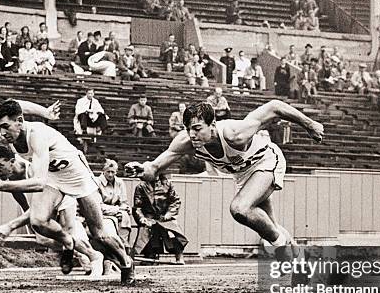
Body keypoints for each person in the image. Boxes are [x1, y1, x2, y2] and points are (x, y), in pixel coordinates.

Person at [125, 100, 324, 275]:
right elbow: (155, 167)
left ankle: (284, 253)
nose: (192, 134)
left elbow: (274, 107)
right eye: (188, 129)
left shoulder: (234, 133)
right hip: (243, 174)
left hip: (266, 160)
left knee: (240, 209)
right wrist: (141, 169)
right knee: (269, 226)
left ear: (213, 124)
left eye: (197, 128)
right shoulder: (186, 141)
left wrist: (310, 124)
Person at [0, 99, 134, 283]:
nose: (1, 133)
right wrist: (45, 112)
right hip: (54, 177)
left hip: (76, 173)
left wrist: (2, 186)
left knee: (99, 234)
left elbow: (38, 183)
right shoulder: (13, 135)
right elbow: (17, 104)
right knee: (37, 221)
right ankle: (68, 242)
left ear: (20, 121)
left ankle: (126, 263)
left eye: (5, 126)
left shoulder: (35, 135)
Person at [0, 145, 102, 275]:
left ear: (12, 161)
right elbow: (31, 209)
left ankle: (93, 259)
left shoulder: (32, 170)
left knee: (69, 232)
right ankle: (82, 253)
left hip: (61, 192)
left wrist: (10, 225)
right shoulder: (10, 180)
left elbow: (39, 206)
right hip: (43, 204)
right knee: (43, 239)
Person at [133, 174, 188, 264]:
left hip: (165, 217)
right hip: (149, 216)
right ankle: (150, 256)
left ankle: (179, 255)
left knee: (173, 231)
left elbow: (175, 201)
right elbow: (137, 206)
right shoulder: (141, 186)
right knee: (146, 231)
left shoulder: (167, 184)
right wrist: (141, 218)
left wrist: (169, 214)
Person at [96, 159, 133, 248]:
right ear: (103, 171)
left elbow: (123, 202)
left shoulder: (119, 182)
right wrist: (118, 209)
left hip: (117, 212)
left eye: (113, 172)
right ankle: (113, 246)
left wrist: (125, 207)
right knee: (120, 214)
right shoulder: (97, 182)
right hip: (101, 213)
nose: (110, 174)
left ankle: (123, 244)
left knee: (125, 215)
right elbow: (98, 206)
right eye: (108, 171)